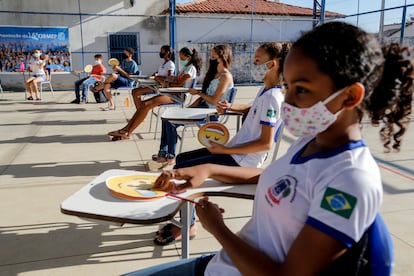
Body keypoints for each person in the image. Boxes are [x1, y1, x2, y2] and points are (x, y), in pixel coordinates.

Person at [124, 21, 413, 275]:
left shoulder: (350, 179)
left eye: (302, 90)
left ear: (350, 95)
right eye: (289, 87)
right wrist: (207, 169)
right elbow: (274, 177)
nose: (287, 103)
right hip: (224, 264)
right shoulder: (309, 143)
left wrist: (217, 228)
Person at [153, 42, 290, 245]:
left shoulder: (273, 97)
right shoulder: (266, 90)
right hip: (233, 153)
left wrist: (226, 149)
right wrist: (232, 106)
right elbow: (253, 108)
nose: (253, 63)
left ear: (273, 65)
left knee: (183, 167)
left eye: (257, 60)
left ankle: (187, 225)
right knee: (182, 158)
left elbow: (265, 144)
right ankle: (187, 218)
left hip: (241, 162)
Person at [150, 44, 234, 167]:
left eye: (213, 55)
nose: (210, 57)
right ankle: (164, 154)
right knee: (166, 118)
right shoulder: (215, 73)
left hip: (210, 113)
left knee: (171, 122)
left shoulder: (225, 76)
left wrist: (198, 93)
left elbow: (214, 100)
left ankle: (170, 156)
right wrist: (188, 109)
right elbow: (203, 98)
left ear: (221, 56)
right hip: (202, 108)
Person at [107, 47, 201, 140]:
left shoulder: (191, 69)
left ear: (188, 57)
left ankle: (127, 132)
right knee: (143, 104)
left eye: (182, 57)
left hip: (178, 95)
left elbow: (178, 84)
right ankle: (126, 130)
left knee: (146, 104)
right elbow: (174, 80)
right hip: (171, 92)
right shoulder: (185, 67)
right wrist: (166, 81)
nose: (180, 59)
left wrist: (165, 82)